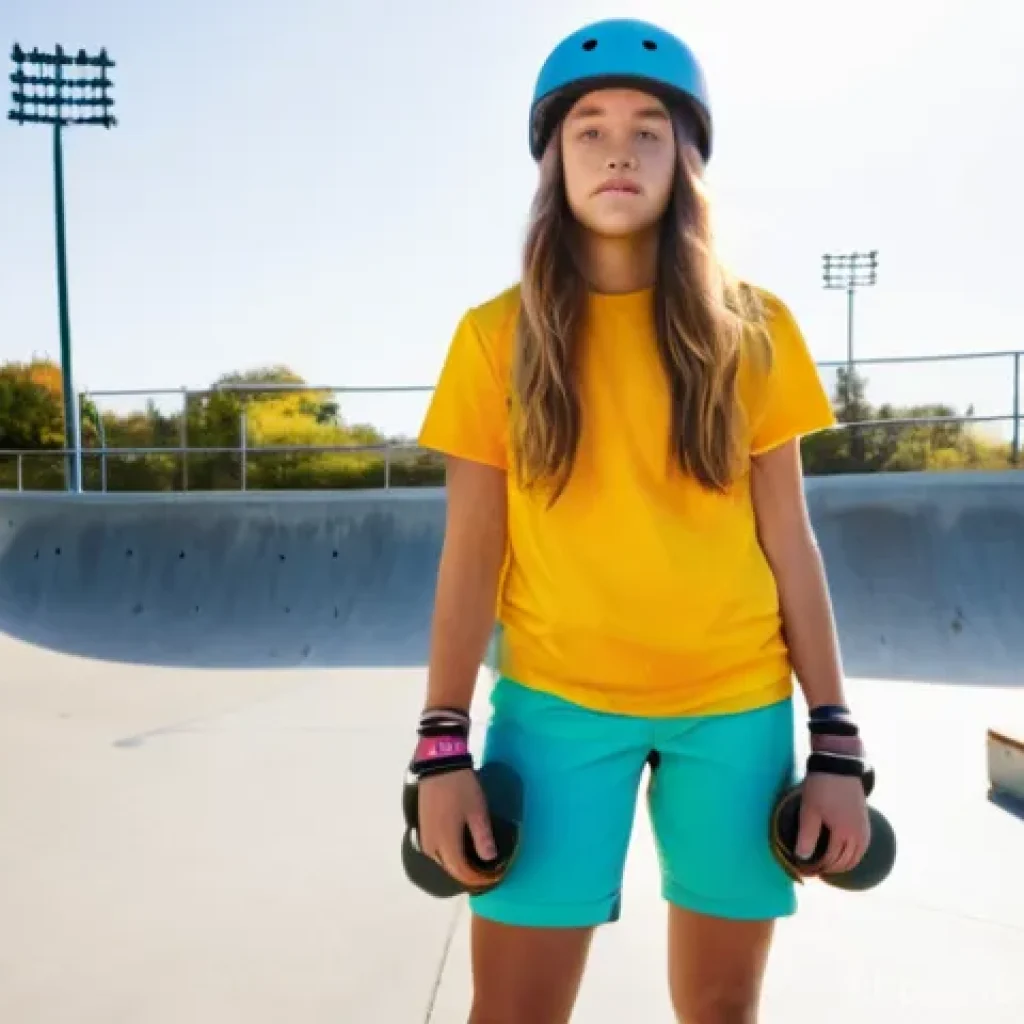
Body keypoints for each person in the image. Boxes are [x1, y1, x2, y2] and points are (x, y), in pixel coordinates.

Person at [411, 17, 871, 1024]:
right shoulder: (494, 338)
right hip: (557, 705)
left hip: (736, 705)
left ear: (685, 159)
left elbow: (790, 541)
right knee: (513, 1012)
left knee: (720, 1009)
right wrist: (440, 742)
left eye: (648, 128)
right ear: (552, 159)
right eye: (587, 127)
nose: (618, 147)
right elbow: (470, 551)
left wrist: (835, 740)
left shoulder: (754, 329)